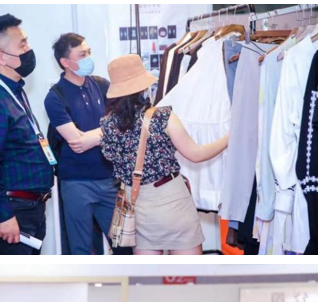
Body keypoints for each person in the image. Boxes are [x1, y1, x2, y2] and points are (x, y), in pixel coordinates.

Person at [99, 55, 229, 255]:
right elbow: (196, 154)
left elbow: (110, 158)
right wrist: (229, 137)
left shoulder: (107, 125)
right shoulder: (162, 117)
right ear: (142, 86)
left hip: (137, 208)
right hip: (173, 202)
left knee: (151, 275)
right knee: (190, 274)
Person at [0, 14, 54, 255]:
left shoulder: (14, 90)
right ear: (1, 56)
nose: (29, 49)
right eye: (22, 44)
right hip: (11, 213)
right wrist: (4, 215)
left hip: (30, 209)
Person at [44, 33, 129, 256]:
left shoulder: (102, 85)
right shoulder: (55, 97)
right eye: (82, 55)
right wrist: (107, 131)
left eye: (89, 52)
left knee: (123, 245)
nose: (89, 58)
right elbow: (77, 142)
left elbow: (122, 123)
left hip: (109, 179)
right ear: (65, 62)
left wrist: (94, 135)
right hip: (76, 183)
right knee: (80, 248)